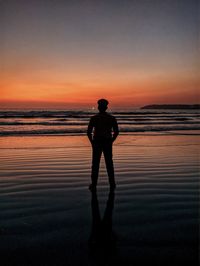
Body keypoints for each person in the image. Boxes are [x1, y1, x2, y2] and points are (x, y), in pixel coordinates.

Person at [87, 99, 119, 191]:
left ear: (98, 107)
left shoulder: (94, 118)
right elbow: (116, 132)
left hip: (97, 142)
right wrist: (111, 141)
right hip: (107, 142)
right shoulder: (112, 118)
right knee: (109, 163)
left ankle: (94, 185)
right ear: (106, 107)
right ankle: (112, 184)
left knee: (95, 164)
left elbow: (88, 132)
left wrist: (92, 142)